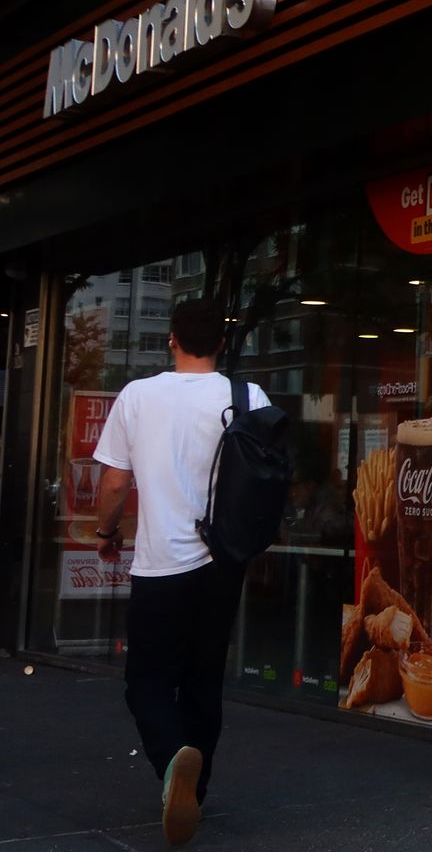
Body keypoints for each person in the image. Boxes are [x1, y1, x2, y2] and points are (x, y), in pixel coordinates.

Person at [92, 298, 268, 847]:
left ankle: (174, 767)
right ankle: (197, 789)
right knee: (202, 679)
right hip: (224, 563)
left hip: (161, 563)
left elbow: (116, 485)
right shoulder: (248, 398)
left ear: (171, 339)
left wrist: (105, 533)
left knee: (146, 681)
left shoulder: (138, 396)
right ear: (222, 343)